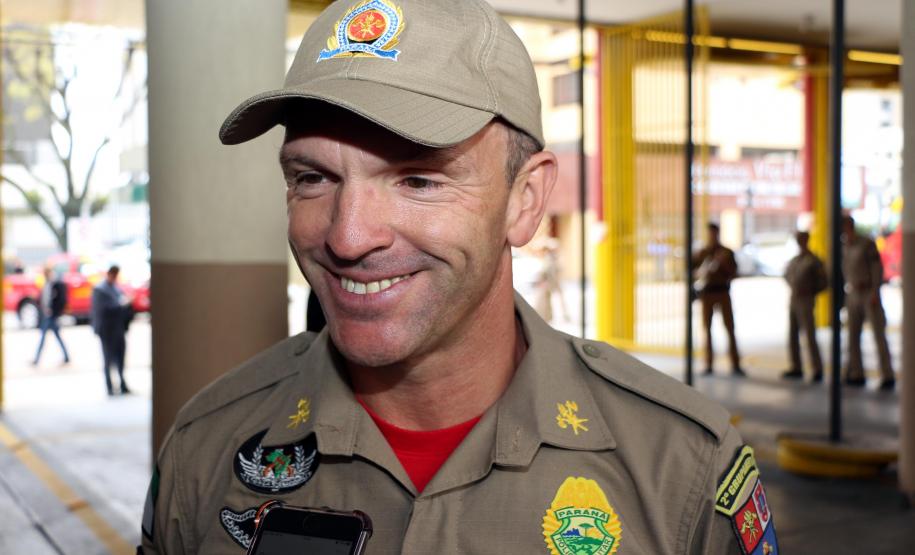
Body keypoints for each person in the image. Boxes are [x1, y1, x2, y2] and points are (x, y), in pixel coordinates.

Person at [140, 1, 777, 553]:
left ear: (525, 200)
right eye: (312, 178)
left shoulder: (680, 468)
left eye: (419, 179)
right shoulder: (207, 446)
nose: (348, 237)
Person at [842, 215, 895, 390]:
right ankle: (856, 373)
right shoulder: (845, 246)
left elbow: (876, 269)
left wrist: (875, 291)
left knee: (878, 334)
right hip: (853, 292)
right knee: (852, 336)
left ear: (850, 226)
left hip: (868, 292)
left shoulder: (866, 244)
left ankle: (887, 374)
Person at [692, 222, 745, 376]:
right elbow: (693, 271)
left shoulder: (726, 252)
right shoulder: (702, 253)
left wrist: (723, 265)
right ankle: (708, 364)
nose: (712, 236)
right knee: (707, 329)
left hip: (722, 292)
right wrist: (703, 270)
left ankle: (735, 363)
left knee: (730, 328)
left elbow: (734, 272)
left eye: (714, 233)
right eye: (710, 233)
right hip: (707, 294)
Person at [781, 231, 827, 382]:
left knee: (809, 335)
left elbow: (823, 281)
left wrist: (811, 290)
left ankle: (817, 368)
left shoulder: (813, 260)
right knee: (792, 335)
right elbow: (786, 276)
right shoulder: (795, 260)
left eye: (802, 239)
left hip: (806, 300)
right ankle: (796, 366)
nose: (800, 242)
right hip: (794, 299)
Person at [91, 265, 132, 395]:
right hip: (107, 330)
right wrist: (121, 304)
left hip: (118, 328)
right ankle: (109, 387)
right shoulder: (100, 290)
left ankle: (122, 384)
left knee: (120, 357)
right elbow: (102, 310)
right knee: (108, 359)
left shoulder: (115, 288)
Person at [32, 266, 70, 365]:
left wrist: (54, 311)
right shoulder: (46, 284)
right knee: (56, 336)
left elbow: (61, 299)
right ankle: (66, 356)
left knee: (43, 337)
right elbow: (43, 298)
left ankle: (36, 359)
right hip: (47, 315)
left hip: (51, 315)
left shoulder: (56, 284)